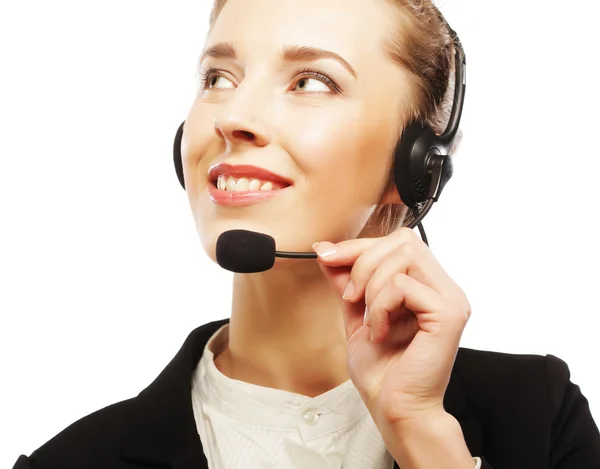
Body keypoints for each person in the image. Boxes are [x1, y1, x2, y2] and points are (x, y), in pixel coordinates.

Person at [12, 0, 600, 468]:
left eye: (312, 82)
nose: (233, 116)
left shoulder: (540, 418)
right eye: (218, 75)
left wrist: (426, 440)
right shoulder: (67, 461)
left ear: (418, 165)